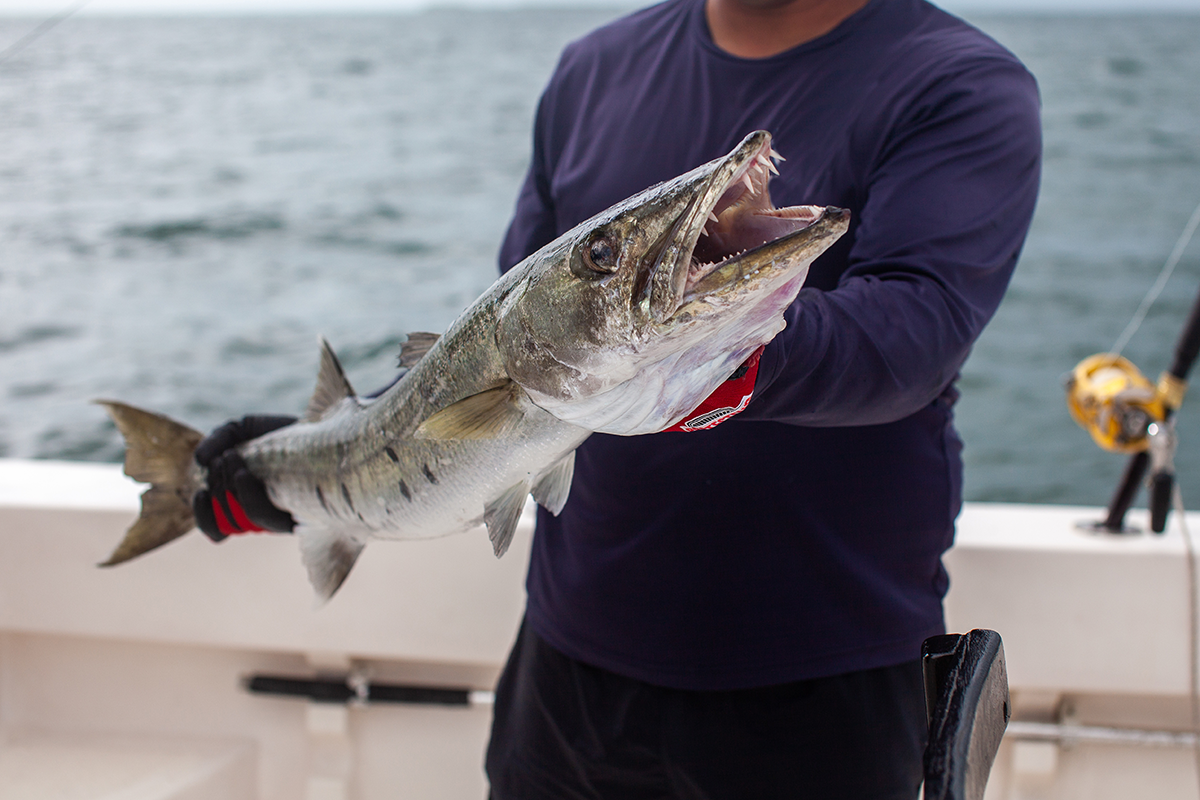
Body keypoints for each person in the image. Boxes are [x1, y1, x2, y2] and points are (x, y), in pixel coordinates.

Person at [194, 0, 1041, 795]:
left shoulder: (959, 83)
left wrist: (720, 354)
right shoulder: (592, 70)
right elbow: (501, 346)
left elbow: (914, 333)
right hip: (568, 665)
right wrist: (318, 456)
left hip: (823, 679)